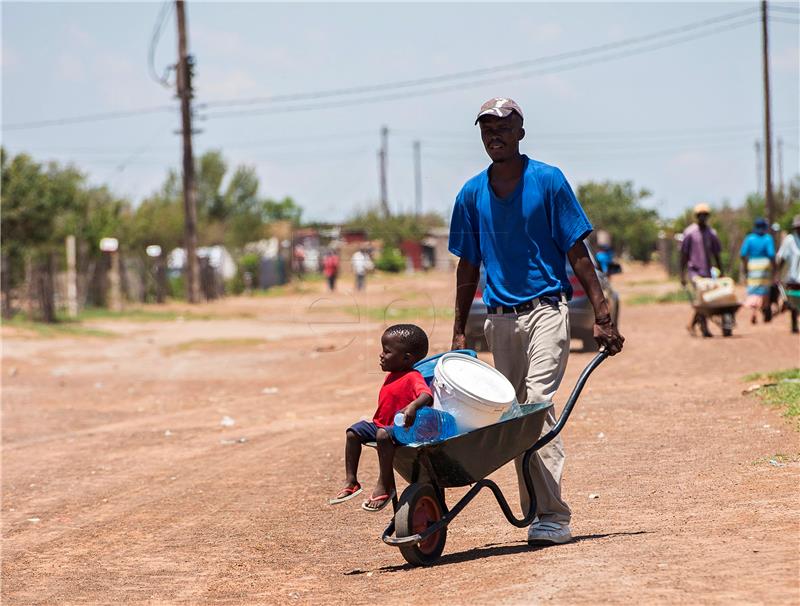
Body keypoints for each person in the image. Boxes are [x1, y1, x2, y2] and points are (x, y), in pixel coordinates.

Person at [449, 97, 624, 547]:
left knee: (537, 405)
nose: (495, 135)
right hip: (499, 319)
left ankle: (554, 515)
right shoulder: (470, 194)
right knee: (509, 415)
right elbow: (467, 267)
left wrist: (603, 315)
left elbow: (577, 253)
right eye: (487, 128)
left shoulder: (548, 181)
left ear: (521, 131)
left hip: (546, 311)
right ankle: (534, 508)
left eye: (504, 127)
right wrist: (458, 330)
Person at [329, 324, 433, 512]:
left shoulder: (412, 377)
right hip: (382, 426)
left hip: (403, 429)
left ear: (406, 358)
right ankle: (351, 481)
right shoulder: (392, 375)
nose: (381, 355)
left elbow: (426, 395)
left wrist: (412, 407)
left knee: (383, 435)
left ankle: (386, 484)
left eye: (387, 351)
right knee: (353, 432)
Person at [680, 204, 723, 337]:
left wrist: (722, 270)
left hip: (708, 271)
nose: (703, 218)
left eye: (705, 215)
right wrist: (682, 274)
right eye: (700, 215)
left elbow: (716, 254)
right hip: (694, 271)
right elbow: (683, 255)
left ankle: (692, 324)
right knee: (702, 297)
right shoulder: (690, 233)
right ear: (696, 216)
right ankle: (704, 328)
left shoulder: (711, 233)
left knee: (705, 299)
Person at [740, 218, 776, 325]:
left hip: (752, 265)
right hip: (765, 266)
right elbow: (771, 254)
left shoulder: (749, 238)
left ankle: (754, 312)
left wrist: (746, 265)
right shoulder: (767, 238)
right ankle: (765, 310)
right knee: (764, 291)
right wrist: (775, 267)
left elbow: (742, 254)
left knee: (753, 291)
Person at [776, 215, 800, 333]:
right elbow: (782, 258)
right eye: (797, 227)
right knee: (794, 301)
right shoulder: (790, 240)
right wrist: (777, 274)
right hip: (793, 277)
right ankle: (794, 324)